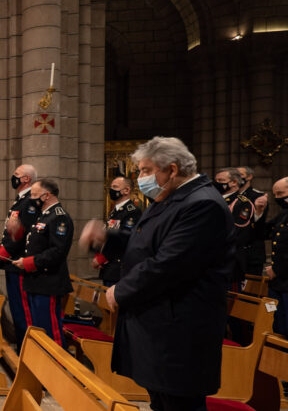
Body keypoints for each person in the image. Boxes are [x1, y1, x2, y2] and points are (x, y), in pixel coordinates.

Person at [79, 137, 233, 410]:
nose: (140, 178)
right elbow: (146, 242)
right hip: (160, 325)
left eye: (146, 171)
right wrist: (107, 238)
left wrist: (121, 291)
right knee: (161, 402)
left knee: (178, 403)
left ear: (172, 170)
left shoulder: (202, 204)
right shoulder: (170, 198)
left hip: (180, 331)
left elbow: (170, 264)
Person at [9, 179, 73, 347]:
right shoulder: (43, 216)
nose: (30, 198)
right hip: (36, 280)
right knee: (38, 330)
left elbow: (57, 252)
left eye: (34, 195)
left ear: (46, 196)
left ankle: (59, 367)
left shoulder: (59, 217)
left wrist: (29, 262)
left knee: (50, 330)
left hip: (48, 281)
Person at [0, 164, 39, 345]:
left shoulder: (30, 202)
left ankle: (26, 348)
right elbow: (9, 234)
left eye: (16, 174)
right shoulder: (20, 201)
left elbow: (21, 236)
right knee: (16, 308)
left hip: (19, 263)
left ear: (26, 179)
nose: (12, 177)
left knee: (23, 309)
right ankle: (21, 345)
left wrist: (2, 253)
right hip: (11, 262)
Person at [92, 176, 141, 286]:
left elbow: (124, 238)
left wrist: (103, 257)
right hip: (109, 269)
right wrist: (97, 254)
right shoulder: (115, 211)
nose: (111, 190)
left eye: (115, 187)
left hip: (119, 269)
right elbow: (108, 236)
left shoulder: (132, 212)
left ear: (126, 190)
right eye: (111, 187)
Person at [215, 167, 257, 285]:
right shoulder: (215, 200)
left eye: (221, 180)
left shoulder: (242, 203)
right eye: (216, 180)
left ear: (234, 182)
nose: (217, 183)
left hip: (230, 262)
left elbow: (238, 234)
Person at [266, 177, 288, 336]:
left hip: (284, 278)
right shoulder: (283, 215)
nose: (277, 198)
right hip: (278, 282)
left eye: (281, 193)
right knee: (277, 324)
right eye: (275, 194)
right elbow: (263, 232)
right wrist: (259, 211)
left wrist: (277, 270)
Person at [238, 166, 269, 276]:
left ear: (249, 176)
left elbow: (258, 225)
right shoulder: (231, 196)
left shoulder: (257, 196)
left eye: (240, 175)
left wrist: (258, 210)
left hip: (252, 253)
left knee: (251, 290)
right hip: (234, 253)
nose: (237, 178)